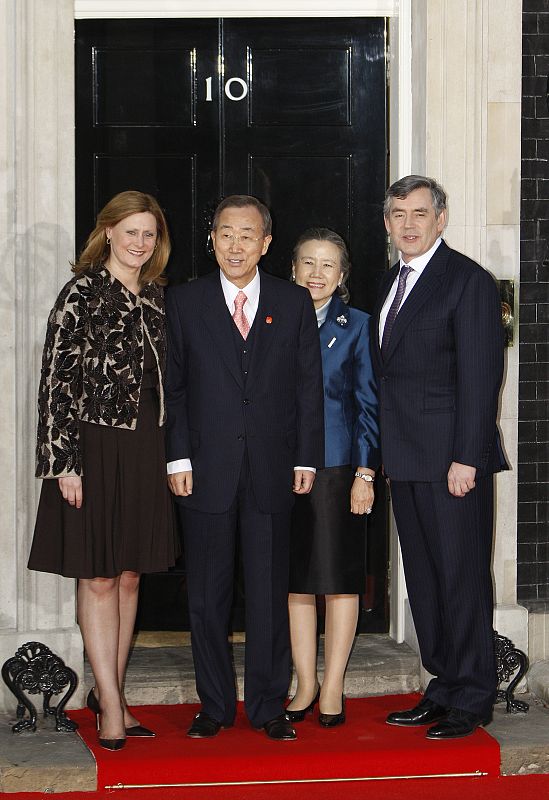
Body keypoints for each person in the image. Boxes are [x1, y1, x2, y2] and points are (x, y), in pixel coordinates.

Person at [165, 195, 324, 741]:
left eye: (247, 234)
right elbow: (176, 388)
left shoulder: (293, 302)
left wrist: (307, 456)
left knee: (267, 594)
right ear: (211, 238)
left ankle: (267, 706)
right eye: (225, 233)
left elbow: (308, 387)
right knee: (207, 595)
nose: (235, 245)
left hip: (273, 469)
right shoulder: (183, 303)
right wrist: (177, 455)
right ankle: (213, 705)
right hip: (204, 470)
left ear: (266, 242)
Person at [28, 190, 177, 750]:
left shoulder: (161, 298)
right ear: (108, 232)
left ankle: (109, 690)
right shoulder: (81, 294)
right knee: (98, 575)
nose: (140, 243)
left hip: (146, 448)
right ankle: (110, 702)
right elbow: (55, 384)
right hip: (90, 450)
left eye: (149, 234)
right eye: (131, 231)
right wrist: (63, 464)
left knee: (132, 572)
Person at [371, 175, 508, 739]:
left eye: (420, 213)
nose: (408, 223)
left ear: (441, 219)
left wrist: (466, 458)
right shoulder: (390, 281)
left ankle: (473, 696)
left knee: (461, 579)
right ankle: (445, 684)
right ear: (387, 222)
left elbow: (482, 380)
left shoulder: (468, 282)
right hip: (405, 459)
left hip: (454, 464)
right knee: (425, 581)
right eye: (398, 213)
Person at [286, 228, 380, 727]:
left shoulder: (359, 326)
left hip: (338, 467)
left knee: (339, 578)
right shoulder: (269, 319)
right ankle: (304, 681)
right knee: (295, 580)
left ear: (342, 276)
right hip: (279, 468)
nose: (316, 273)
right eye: (307, 263)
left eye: (327, 265)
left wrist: (365, 472)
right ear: (293, 269)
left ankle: (334, 683)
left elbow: (368, 404)